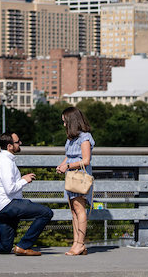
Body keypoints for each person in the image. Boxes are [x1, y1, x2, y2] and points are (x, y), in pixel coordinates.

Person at [55, 106, 94, 256]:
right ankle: (76, 242)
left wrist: (68, 166)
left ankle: (80, 243)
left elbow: (86, 160)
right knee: (73, 210)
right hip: (71, 176)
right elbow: (69, 156)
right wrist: (62, 165)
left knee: (79, 209)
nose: (64, 124)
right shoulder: (72, 139)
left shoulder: (85, 138)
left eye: (65, 122)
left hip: (79, 176)